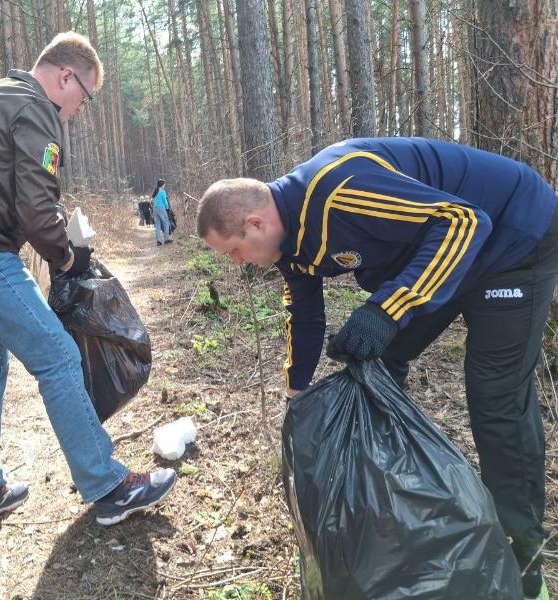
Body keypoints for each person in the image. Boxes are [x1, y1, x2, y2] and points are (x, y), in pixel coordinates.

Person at [197, 137, 557, 600]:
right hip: (453, 251)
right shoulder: (289, 246)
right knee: (378, 363)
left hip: (513, 238)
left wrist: (387, 309)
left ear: (255, 222)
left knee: (495, 400)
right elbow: (304, 316)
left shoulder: (339, 190)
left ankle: (525, 559)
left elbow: (465, 221)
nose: (238, 263)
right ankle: (391, 509)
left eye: (234, 251)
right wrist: (295, 395)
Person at [0, 32, 176, 530]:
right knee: (58, 357)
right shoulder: (36, 109)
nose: (78, 110)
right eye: (84, 98)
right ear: (66, 77)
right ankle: (108, 486)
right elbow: (34, 206)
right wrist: (69, 258)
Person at [152, 179, 173, 245]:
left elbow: (153, 201)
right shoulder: (162, 191)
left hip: (155, 208)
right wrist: (167, 208)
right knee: (166, 223)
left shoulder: (155, 191)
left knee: (157, 225)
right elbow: (165, 201)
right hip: (161, 208)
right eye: (164, 184)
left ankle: (159, 241)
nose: (164, 185)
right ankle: (166, 239)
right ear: (162, 185)